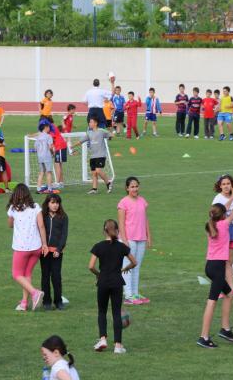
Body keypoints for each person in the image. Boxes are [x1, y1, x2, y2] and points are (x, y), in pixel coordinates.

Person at [197, 191, 233, 348]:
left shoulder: (211, 225)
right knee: (212, 301)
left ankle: (225, 328)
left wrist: (232, 198)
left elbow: (224, 209)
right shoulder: (224, 225)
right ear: (223, 215)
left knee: (229, 293)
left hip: (210, 266)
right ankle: (203, 337)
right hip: (217, 268)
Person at [89, 219, 137, 354]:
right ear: (117, 231)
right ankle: (118, 345)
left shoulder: (98, 246)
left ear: (104, 231)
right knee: (116, 313)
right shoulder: (122, 247)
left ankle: (103, 339)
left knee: (102, 311)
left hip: (103, 282)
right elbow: (134, 262)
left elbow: (91, 266)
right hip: (117, 282)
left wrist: (99, 275)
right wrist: (126, 268)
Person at [7, 183, 48, 312]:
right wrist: (44, 244)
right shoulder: (36, 207)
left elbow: (10, 225)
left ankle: (34, 293)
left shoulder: (13, 209)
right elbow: (41, 226)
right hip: (36, 247)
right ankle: (24, 303)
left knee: (16, 274)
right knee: (26, 274)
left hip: (21, 247)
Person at [118, 176, 151, 305]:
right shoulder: (123, 203)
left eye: (136, 186)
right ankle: (128, 295)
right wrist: (124, 240)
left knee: (136, 266)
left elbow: (145, 219)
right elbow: (121, 223)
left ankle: (135, 293)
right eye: (132, 187)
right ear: (127, 188)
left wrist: (149, 236)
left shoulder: (142, 201)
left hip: (141, 237)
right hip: (129, 239)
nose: (135, 189)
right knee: (128, 267)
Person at [70, 118, 113, 194]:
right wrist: (72, 146)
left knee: (98, 170)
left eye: (91, 122)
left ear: (95, 123)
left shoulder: (101, 131)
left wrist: (110, 136)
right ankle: (94, 189)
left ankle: (108, 183)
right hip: (93, 156)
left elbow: (110, 134)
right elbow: (81, 141)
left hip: (101, 155)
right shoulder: (89, 133)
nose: (89, 123)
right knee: (94, 173)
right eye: (89, 122)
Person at [41, 194, 69, 310]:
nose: (55, 205)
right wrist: (43, 246)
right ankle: (46, 301)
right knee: (45, 276)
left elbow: (64, 234)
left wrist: (59, 249)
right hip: (44, 251)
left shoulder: (63, 217)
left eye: (57, 203)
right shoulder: (42, 216)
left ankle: (58, 301)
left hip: (57, 252)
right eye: (52, 203)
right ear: (47, 203)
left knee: (56, 276)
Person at [34, 123, 54, 194]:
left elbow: (35, 147)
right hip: (47, 156)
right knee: (49, 172)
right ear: (45, 127)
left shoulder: (38, 137)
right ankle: (49, 189)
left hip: (40, 156)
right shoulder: (48, 136)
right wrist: (52, 153)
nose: (49, 129)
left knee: (41, 172)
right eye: (48, 127)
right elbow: (50, 147)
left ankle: (38, 189)